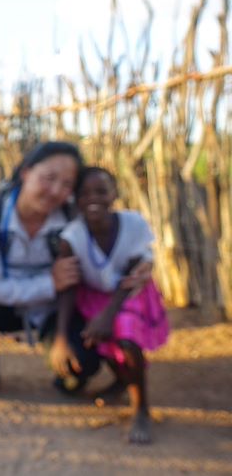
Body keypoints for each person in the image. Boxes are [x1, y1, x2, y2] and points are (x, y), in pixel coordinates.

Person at [0, 141, 99, 398]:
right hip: (6, 305)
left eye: (67, 184)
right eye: (49, 178)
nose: (56, 191)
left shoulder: (74, 220)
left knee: (83, 363)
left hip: (55, 309)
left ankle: (66, 371)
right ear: (26, 172)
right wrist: (51, 283)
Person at [49, 167, 168, 444]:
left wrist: (107, 316)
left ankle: (141, 409)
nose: (93, 198)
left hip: (130, 294)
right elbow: (68, 287)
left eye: (101, 191)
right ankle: (122, 382)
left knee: (125, 339)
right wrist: (61, 337)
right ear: (75, 199)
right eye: (85, 193)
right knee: (100, 340)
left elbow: (133, 275)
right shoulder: (72, 237)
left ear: (115, 194)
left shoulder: (134, 224)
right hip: (94, 297)